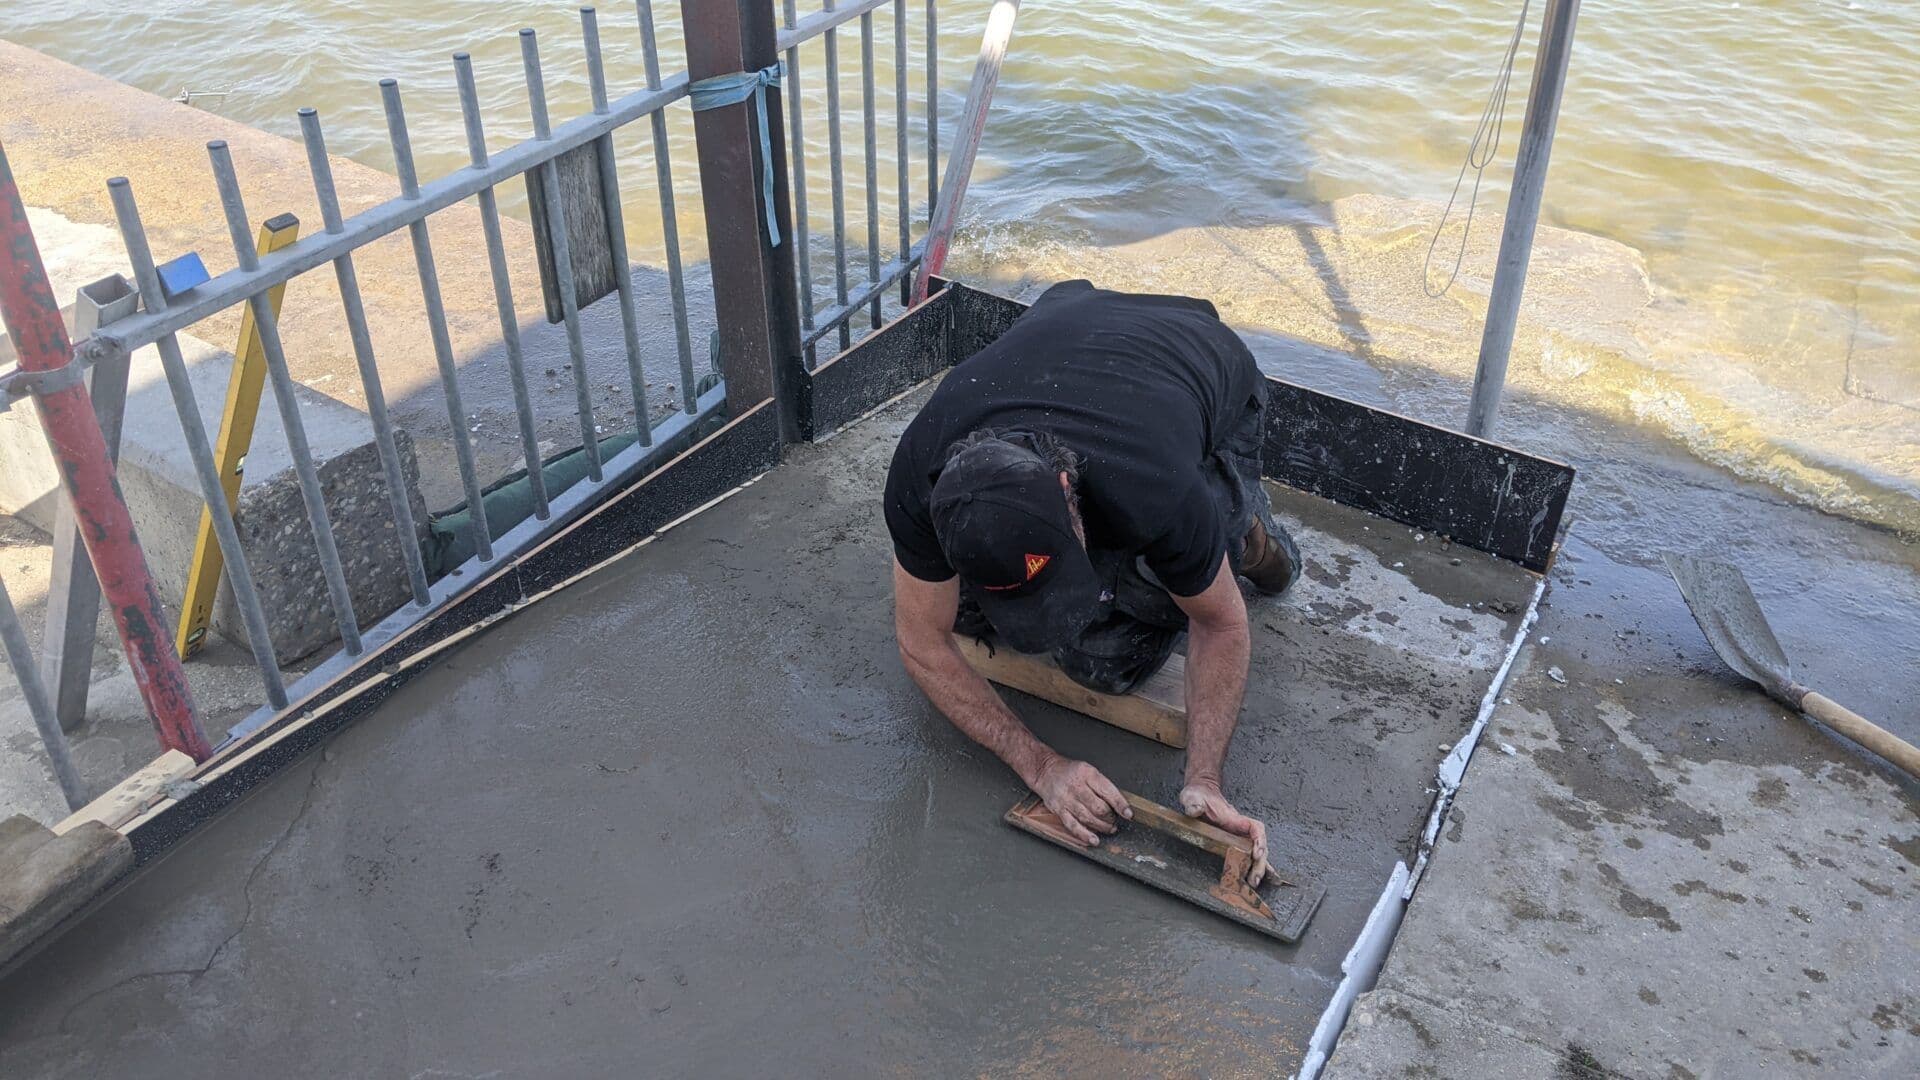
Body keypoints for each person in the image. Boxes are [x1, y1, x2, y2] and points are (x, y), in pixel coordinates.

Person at [885, 279, 1300, 884]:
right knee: (975, 618)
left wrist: (1205, 781)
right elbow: (922, 641)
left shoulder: (1153, 480)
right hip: (1071, 331)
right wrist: (1041, 766)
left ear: (1065, 490)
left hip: (1199, 362)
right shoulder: (919, 474)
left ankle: (1245, 533)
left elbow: (1220, 623)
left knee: (1108, 657)